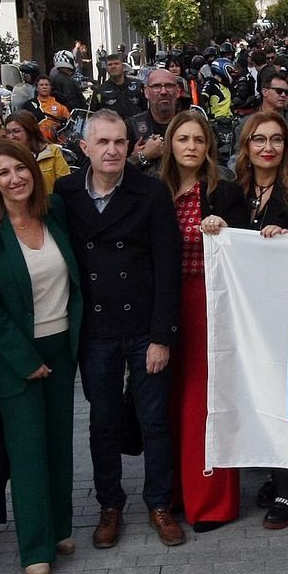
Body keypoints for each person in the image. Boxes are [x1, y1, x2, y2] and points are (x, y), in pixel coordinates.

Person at [53, 111, 185, 549]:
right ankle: (110, 504)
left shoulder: (150, 192)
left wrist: (162, 335)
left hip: (144, 326)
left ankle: (160, 503)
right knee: (103, 421)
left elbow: (169, 267)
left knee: (154, 420)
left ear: (130, 147)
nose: (112, 150)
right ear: (85, 147)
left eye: (120, 142)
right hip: (95, 329)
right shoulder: (65, 192)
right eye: (103, 142)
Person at [0, 140, 83, 574]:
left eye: (21, 168)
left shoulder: (53, 213)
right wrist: (24, 358)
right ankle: (35, 546)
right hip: (16, 359)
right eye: (3, 173)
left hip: (60, 347)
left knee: (60, 445)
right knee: (29, 453)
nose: (15, 178)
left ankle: (61, 529)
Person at [206, 110, 288, 528]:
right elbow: (224, 247)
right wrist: (217, 226)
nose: (267, 147)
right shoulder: (230, 193)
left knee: (287, 399)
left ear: (286, 147)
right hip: (246, 317)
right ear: (245, 146)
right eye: (258, 140)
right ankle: (275, 472)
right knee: (257, 396)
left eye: (275, 140)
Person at [159, 111, 247, 532]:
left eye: (198, 139)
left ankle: (211, 501)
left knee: (203, 401)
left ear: (209, 146)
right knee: (168, 401)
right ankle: (172, 493)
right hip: (163, 305)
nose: (191, 146)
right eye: (182, 139)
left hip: (207, 303)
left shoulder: (223, 192)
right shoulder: (154, 191)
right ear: (170, 145)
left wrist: (224, 229)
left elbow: (246, 246)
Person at [130, 68, 183, 170]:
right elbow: (114, 171)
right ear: (146, 92)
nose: (163, 92)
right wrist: (142, 156)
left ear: (177, 91)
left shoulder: (191, 126)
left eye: (169, 86)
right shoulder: (132, 127)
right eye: (156, 86)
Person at [4, 111, 71, 190]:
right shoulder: (5, 157)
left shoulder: (52, 151)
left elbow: (65, 182)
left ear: (30, 131)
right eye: (8, 132)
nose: (11, 136)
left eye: (16, 131)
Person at [27, 76, 71, 142]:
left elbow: (69, 124)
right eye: (41, 85)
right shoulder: (30, 105)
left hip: (57, 140)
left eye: (47, 85)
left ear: (51, 87)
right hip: (37, 140)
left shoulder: (60, 105)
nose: (44, 87)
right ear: (36, 88)